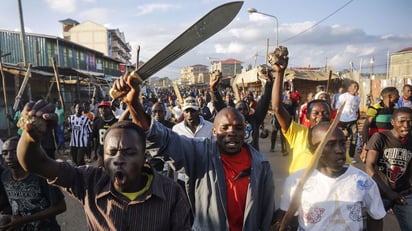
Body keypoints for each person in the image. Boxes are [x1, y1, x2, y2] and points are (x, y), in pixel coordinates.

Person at [111, 71, 275, 231]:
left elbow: (266, 212)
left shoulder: (261, 164)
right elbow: (161, 139)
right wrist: (134, 105)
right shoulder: (200, 153)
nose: (232, 132)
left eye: (238, 128)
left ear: (244, 131)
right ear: (214, 132)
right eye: (224, 127)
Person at [16, 101, 192, 230]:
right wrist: (31, 137)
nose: (119, 159)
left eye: (129, 153)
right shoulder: (88, 182)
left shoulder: (171, 193)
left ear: (143, 155)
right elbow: (35, 163)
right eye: (112, 152)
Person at [275, 122, 386, 230]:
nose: (340, 150)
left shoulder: (363, 181)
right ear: (314, 150)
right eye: (330, 144)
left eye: (342, 143)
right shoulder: (296, 181)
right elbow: (286, 215)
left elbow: (376, 217)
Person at [270, 46, 345, 173]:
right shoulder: (299, 133)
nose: (320, 115)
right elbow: (277, 108)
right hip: (300, 189)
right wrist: (280, 73)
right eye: (316, 113)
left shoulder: (335, 138)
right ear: (307, 116)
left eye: (325, 112)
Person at [0, 136, 66, 230]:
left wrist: (24, 220)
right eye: (5, 153)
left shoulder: (41, 175)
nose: (9, 157)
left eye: (14, 152)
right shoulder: (5, 177)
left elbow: (60, 206)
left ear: (23, 152)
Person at [364, 107, 412, 231]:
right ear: (393, 122)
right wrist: (388, 192)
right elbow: (369, 166)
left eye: (410, 121)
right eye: (402, 121)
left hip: (403, 193)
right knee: (372, 227)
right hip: (380, 192)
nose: (406, 125)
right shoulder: (380, 138)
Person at [211, 68, 273, 151]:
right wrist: (213, 89)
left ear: (249, 111)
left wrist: (269, 83)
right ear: (235, 110)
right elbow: (220, 107)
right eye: (239, 109)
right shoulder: (229, 121)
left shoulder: (254, 120)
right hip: (232, 159)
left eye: (245, 109)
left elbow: (264, 102)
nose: (242, 111)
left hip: (251, 160)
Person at [361, 87, 399, 162]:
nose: (399, 97)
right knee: (375, 162)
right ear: (390, 96)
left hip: (389, 141)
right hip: (376, 142)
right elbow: (366, 126)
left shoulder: (396, 109)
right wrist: (365, 145)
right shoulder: (374, 108)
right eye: (397, 94)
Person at [336, 81, 361, 164]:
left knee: (354, 138)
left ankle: (351, 156)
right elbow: (337, 108)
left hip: (353, 120)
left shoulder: (358, 98)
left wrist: (358, 116)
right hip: (343, 121)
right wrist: (338, 121)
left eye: (357, 87)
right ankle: (342, 156)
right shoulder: (343, 96)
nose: (355, 88)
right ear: (349, 88)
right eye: (354, 86)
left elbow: (357, 108)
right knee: (343, 139)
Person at [92, 101, 118, 166]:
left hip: (113, 152)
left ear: (110, 109)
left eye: (105, 108)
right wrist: (95, 152)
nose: (102, 109)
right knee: (100, 171)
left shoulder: (116, 122)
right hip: (101, 152)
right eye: (101, 108)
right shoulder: (97, 122)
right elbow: (95, 138)